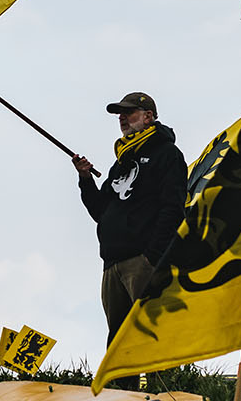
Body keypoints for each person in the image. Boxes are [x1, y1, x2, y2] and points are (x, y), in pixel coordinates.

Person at [72, 92, 188, 382]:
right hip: (112, 262)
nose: (122, 118)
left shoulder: (167, 154)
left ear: (148, 116)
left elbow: (173, 207)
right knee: (120, 340)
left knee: (152, 332)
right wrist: (86, 180)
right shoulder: (121, 161)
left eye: (130, 112)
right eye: (120, 114)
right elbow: (101, 210)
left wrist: (153, 255)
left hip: (143, 260)